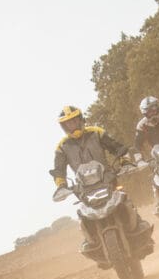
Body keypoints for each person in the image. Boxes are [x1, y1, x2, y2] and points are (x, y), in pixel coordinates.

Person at [49, 105, 153, 256]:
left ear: (81, 120)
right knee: (83, 214)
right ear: (63, 127)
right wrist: (62, 186)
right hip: (83, 188)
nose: (72, 126)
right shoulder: (62, 147)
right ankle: (90, 240)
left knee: (124, 199)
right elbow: (59, 170)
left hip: (107, 179)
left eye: (74, 121)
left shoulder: (96, 133)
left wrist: (124, 161)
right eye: (68, 124)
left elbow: (117, 147)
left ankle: (139, 225)